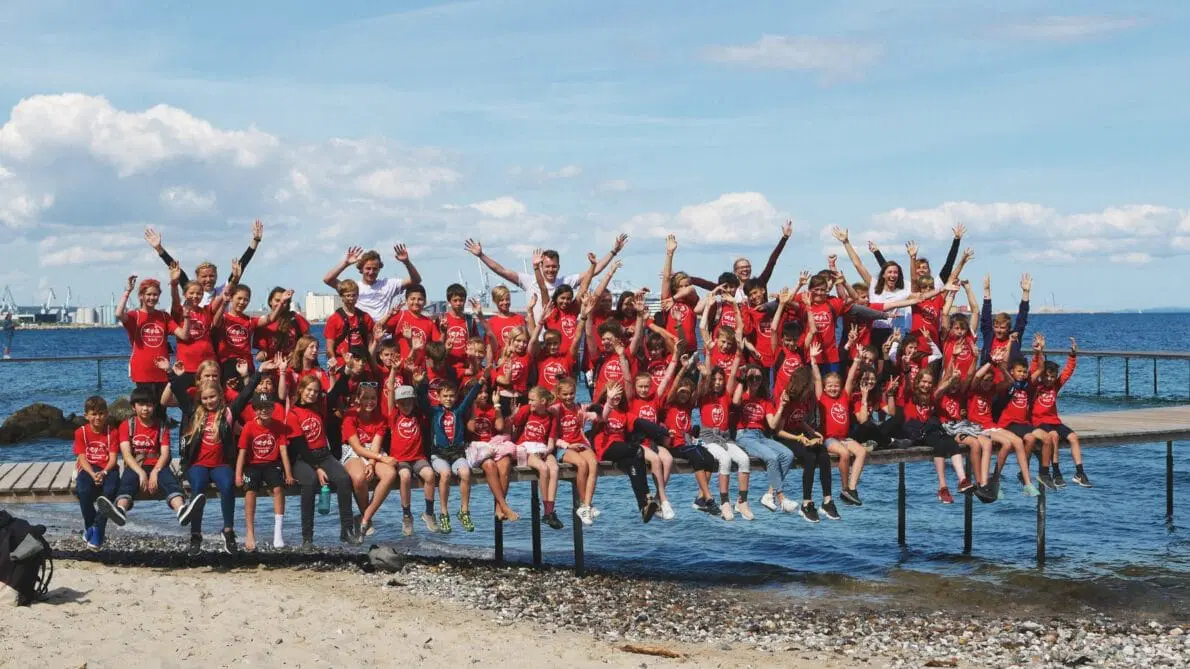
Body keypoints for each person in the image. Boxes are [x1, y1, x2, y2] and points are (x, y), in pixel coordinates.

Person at [169, 361, 265, 555]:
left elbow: (246, 395)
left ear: (220, 396)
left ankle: (228, 531)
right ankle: (196, 534)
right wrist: (173, 374)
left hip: (220, 464)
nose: (209, 401)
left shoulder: (228, 413)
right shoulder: (194, 412)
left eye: (212, 397)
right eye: (205, 398)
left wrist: (258, 373)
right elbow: (179, 392)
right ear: (200, 399)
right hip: (197, 464)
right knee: (198, 488)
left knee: (228, 484)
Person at [94, 387, 203, 531]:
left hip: (157, 464)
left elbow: (164, 454)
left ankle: (182, 511)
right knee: (127, 482)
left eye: (149, 405)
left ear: (154, 406)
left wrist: (155, 471)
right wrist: (140, 472)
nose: (145, 409)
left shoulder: (161, 426)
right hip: (136, 465)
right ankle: (120, 510)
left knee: (170, 483)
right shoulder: (127, 425)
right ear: (134, 407)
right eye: (141, 405)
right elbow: (126, 454)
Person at [464, 235, 628, 319]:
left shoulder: (565, 282)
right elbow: (501, 270)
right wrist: (481, 255)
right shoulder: (529, 280)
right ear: (541, 266)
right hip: (536, 336)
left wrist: (613, 252)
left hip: (557, 339)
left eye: (554, 267)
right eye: (547, 266)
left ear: (559, 267)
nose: (551, 270)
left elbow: (594, 271)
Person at [144, 221, 263, 307]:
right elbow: (177, 271)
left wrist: (255, 241)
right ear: (197, 277)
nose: (208, 279)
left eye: (211, 276)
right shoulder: (192, 292)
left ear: (216, 276)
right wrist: (159, 249)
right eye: (204, 276)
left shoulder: (222, 291)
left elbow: (241, 267)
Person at [419, 376, 483, 534]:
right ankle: (444, 512)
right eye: (445, 396)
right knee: (445, 474)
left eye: (452, 396)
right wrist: (421, 383)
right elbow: (422, 400)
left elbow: (469, 398)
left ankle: (464, 511)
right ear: (438, 397)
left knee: (466, 472)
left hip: (456, 454)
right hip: (439, 455)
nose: (449, 399)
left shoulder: (458, 411)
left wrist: (480, 382)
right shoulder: (434, 412)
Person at [592, 380, 661, 523]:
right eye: (613, 395)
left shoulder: (624, 413)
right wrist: (609, 401)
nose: (616, 397)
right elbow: (600, 416)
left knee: (633, 464)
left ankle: (644, 506)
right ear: (607, 395)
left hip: (621, 450)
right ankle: (647, 495)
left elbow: (641, 423)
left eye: (619, 395)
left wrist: (662, 432)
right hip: (606, 448)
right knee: (637, 450)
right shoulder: (600, 408)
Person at [733, 364, 798, 514]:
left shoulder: (765, 402)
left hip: (761, 436)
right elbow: (735, 402)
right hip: (745, 435)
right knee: (772, 457)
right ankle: (781, 497)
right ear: (746, 379)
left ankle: (769, 494)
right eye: (751, 378)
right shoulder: (742, 396)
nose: (754, 381)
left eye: (758, 378)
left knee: (788, 455)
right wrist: (742, 382)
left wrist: (781, 406)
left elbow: (773, 424)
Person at [694, 355, 752, 520]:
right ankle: (725, 502)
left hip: (725, 438)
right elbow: (700, 389)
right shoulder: (704, 396)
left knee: (744, 459)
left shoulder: (725, 395)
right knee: (725, 460)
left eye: (720, 379)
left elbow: (733, 377)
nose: (718, 382)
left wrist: (742, 376)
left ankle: (742, 501)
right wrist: (704, 375)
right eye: (715, 379)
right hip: (708, 439)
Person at [235, 396, 296, 551]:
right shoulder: (249, 426)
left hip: (271, 464)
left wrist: (288, 473)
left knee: (278, 488)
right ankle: (250, 533)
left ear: (273, 408)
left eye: (268, 406)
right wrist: (238, 474)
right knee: (250, 491)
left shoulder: (278, 425)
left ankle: (278, 533)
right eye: (260, 407)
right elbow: (242, 452)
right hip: (252, 465)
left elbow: (283, 450)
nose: (264, 410)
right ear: (255, 410)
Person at [378, 377, 438, 536]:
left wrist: (419, 383)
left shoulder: (418, 416)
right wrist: (393, 372)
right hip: (401, 459)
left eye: (409, 402)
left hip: (418, 457)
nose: (406, 406)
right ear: (397, 404)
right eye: (402, 403)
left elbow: (423, 400)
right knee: (404, 476)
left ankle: (429, 513)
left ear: (414, 402)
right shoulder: (394, 416)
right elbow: (390, 392)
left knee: (430, 475)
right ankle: (406, 515)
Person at [809, 346, 867, 507]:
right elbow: (818, 379)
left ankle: (852, 487)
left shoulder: (844, 396)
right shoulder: (822, 397)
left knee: (862, 452)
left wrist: (857, 360)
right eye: (830, 386)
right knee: (844, 453)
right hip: (828, 439)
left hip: (844, 438)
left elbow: (849, 379)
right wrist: (814, 361)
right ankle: (844, 488)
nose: (833, 388)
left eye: (836, 385)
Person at [1032, 335, 1091, 488]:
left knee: (1073, 437)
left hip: (1054, 421)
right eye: (1047, 376)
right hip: (1039, 422)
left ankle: (1080, 472)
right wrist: (1038, 352)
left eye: (1053, 376)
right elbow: (1035, 368)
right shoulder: (1035, 386)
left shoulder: (1055, 386)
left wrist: (1072, 355)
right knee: (1054, 436)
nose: (1050, 379)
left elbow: (1067, 372)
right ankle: (1056, 472)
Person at [689, 221, 793, 300]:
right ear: (735, 271)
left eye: (747, 267)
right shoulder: (729, 288)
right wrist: (684, 277)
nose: (745, 270)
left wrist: (784, 238)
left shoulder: (759, 283)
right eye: (742, 268)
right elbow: (704, 283)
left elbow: (772, 262)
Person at [115, 275, 173, 415]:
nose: (152, 298)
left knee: (161, 410)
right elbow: (118, 314)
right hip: (143, 372)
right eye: (148, 294)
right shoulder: (135, 315)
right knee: (145, 410)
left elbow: (181, 333)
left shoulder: (164, 316)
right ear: (141, 296)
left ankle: (161, 436)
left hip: (162, 372)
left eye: (155, 294)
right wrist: (128, 291)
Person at [509, 387, 564, 529]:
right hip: (526, 448)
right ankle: (548, 511)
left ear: (543, 401)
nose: (530, 402)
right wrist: (516, 412)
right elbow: (513, 422)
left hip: (542, 448)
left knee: (554, 469)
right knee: (543, 468)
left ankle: (550, 511)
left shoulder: (551, 417)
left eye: (532, 400)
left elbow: (551, 443)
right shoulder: (527, 410)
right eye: (529, 399)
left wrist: (546, 452)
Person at [322, 245, 423, 321]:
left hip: (384, 338)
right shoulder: (353, 287)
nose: (371, 272)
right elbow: (328, 279)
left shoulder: (388, 284)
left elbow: (416, 280)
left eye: (375, 269)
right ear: (361, 269)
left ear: (379, 269)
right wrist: (345, 263)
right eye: (368, 268)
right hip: (362, 338)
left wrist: (406, 262)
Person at [551, 377, 601, 524]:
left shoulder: (579, 408)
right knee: (582, 464)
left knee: (593, 463)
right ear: (559, 395)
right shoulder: (556, 410)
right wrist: (567, 445)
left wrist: (605, 404)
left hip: (580, 443)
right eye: (565, 394)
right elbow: (552, 437)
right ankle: (583, 504)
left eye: (571, 393)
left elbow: (600, 416)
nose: (569, 397)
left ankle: (587, 504)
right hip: (563, 447)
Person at [72, 396, 119, 549]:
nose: (97, 417)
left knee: (110, 491)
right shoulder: (81, 432)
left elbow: (113, 459)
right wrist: (92, 474)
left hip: (108, 469)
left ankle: (98, 528)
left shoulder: (112, 432)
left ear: (106, 414)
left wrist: (104, 473)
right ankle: (91, 527)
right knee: (83, 490)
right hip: (88, 468)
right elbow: (82, 458)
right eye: (93, 414)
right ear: (86, 415)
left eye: (101, 413)